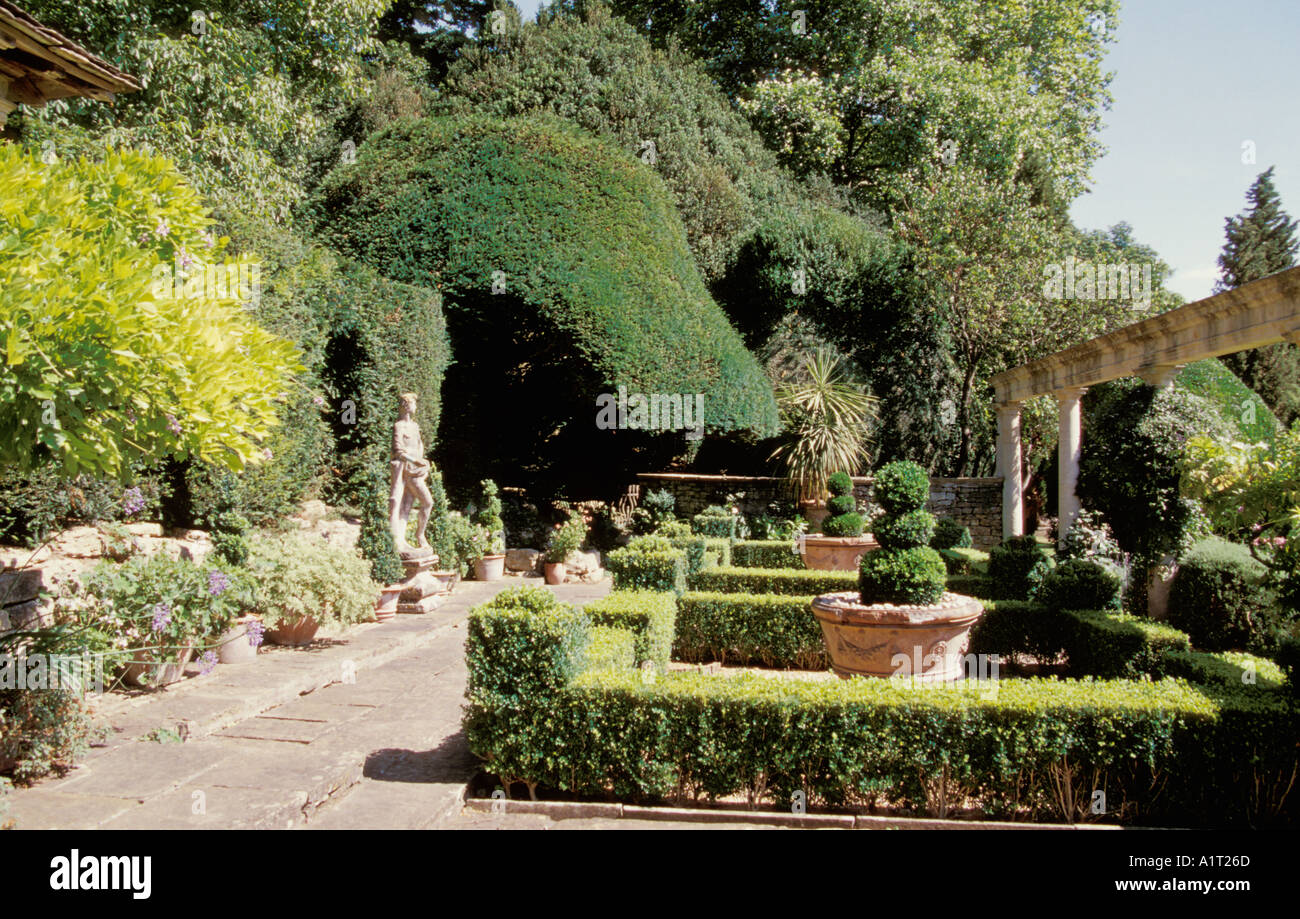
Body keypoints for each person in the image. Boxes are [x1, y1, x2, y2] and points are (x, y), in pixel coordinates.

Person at [389, 392, 433, 555]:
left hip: (417, 470)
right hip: (406, 470)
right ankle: (419, 535)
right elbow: (398, 451)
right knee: (427, 502)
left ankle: (402, 540)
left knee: (406, 506)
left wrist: (422, 463)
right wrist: (415, 461)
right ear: (407, 406)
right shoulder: (399, 426)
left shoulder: (414, 426)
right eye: (414, 403)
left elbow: (419, 445)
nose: (416, 406)